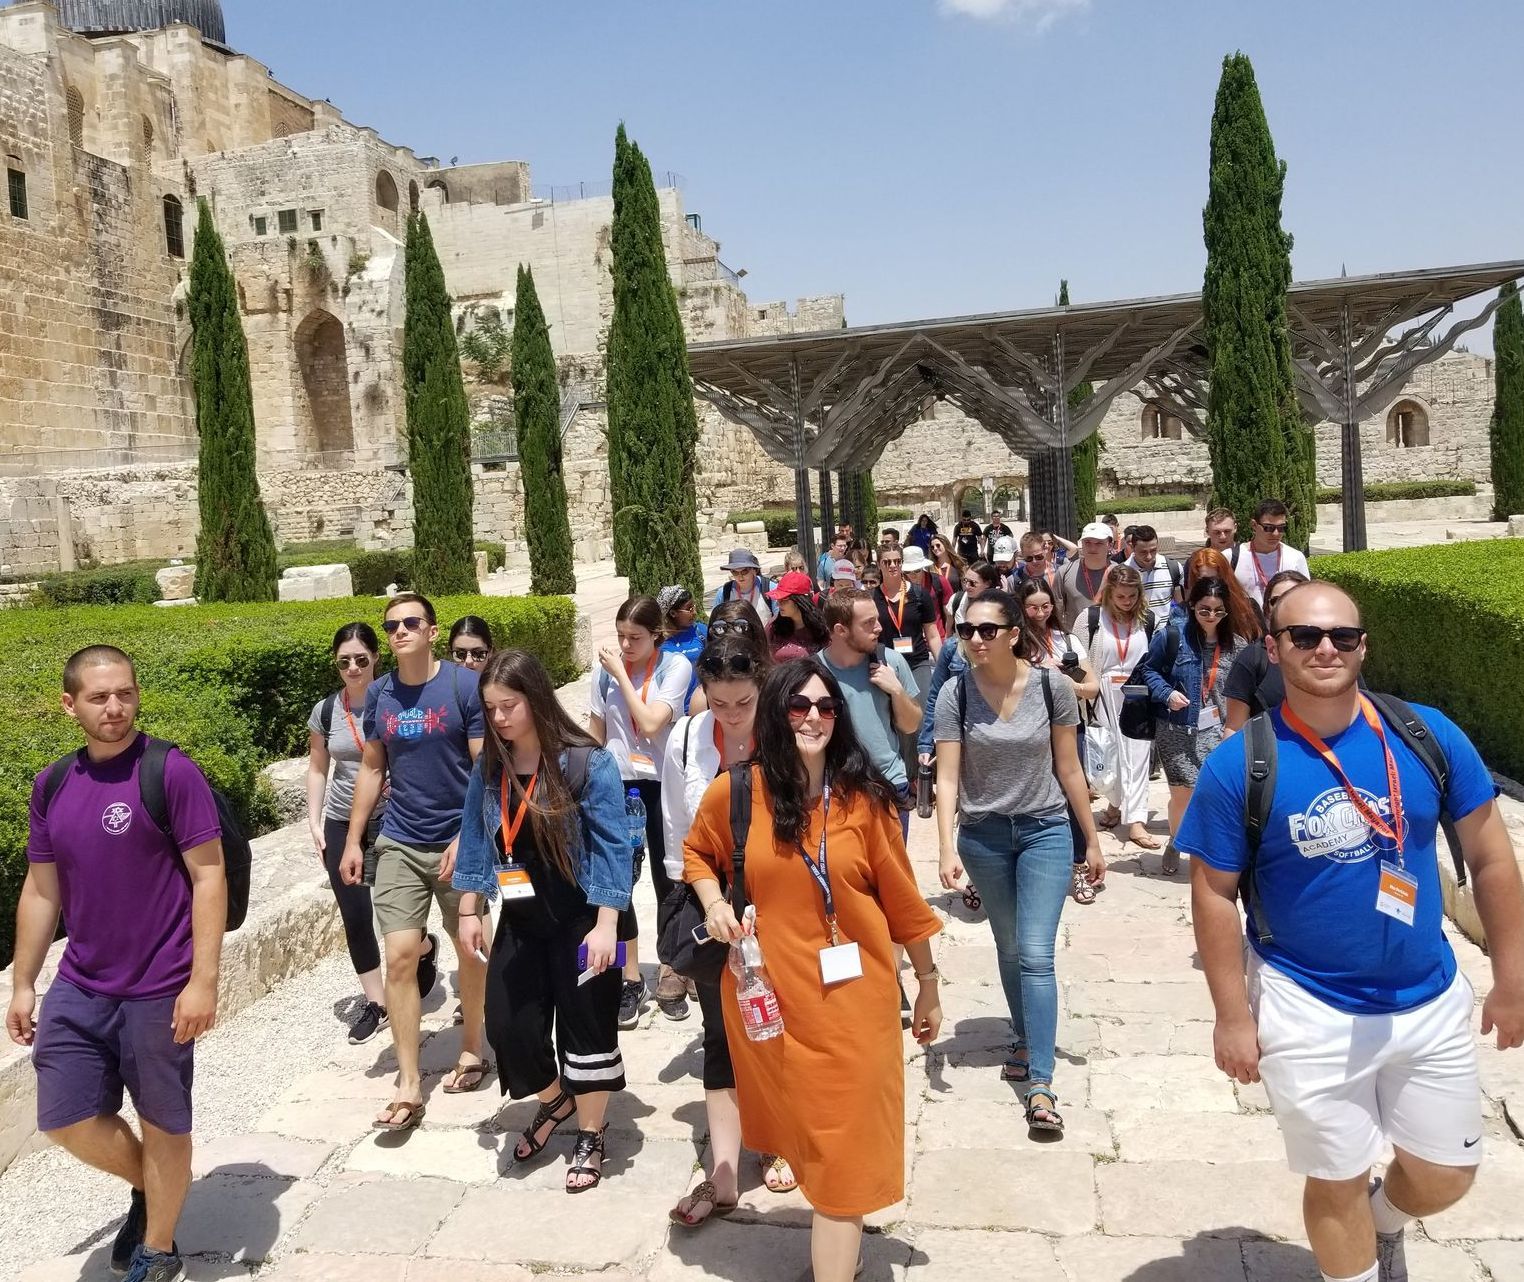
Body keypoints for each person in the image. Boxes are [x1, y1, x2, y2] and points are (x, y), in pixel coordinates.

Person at [1181, 581, 1524, 1282]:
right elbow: (1213, 896)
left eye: (1341, 635)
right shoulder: (1240, 764)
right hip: (1309, 1004)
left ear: (1364, 645)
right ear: (1274, 650)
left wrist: (1513, 977)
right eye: (1304, 636)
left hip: (1425, 994)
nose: (1325, 648)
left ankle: (1384, 1222)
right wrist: (1231, 1016)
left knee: (1447, 1172)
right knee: (1334, 1177)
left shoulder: (1425, 735)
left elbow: (1491, 855)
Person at [683, 660, 943, 1282]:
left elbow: (904, 902)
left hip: (856, 1005)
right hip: (776, 1004)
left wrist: (929, 983)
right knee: (813, 1141)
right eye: (798, 706)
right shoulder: (738, 792)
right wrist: (716, 901)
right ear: (776, 712)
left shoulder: (866, 802)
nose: (813, 718)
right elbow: (696, 852)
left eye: (825, 707)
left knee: (844, 1148)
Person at [6, 646, 226, 1282]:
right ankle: (153, 1188)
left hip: (160, 984)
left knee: (163, 1120)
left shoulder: (170, 771)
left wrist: (202, 980)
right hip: (81, 980)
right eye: (99, 697)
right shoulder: (52, 785)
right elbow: (42, 889)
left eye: (124, 694)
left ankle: (159, 1247)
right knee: (65, 1118)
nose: (115, 708)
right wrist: (23, 983)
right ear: (69, 704)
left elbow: (208, 876)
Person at [453, 650, 633, 1194]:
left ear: (535, 698)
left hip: (585, 915)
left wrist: (608, 924)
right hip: (522, 914)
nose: (500, 718)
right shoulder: (492, 766)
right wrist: (469, 907)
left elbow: (611, 845)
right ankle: (555, 1099)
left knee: (589, 1027)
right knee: (509, 1024)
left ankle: (591, 1132)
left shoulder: (586, 761)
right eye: (491, 708)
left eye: (509, 705)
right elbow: (477, 835)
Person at [934, 593, 1103, 1136]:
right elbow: (947, 778)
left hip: (1045, 830)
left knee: (1035, 952)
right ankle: (1025, 1037)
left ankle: (1041, 1082)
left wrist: (1093, 841)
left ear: (1012, 632)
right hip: (983, 837)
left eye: (987, 629)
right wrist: (943, 845)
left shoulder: (1051, 686)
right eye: (966, 630)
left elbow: (1069, 767)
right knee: (1008, 946)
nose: (975, 639)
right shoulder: (954, 693)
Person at [661, 638, 799, 1223]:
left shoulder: (789, 738)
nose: (730, 715)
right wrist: (700, 903)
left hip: (775, 902)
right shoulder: (687, 739)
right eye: (717, 703)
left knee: (772, 1024)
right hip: (711, 904)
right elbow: (676, 835)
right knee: (720, 1031)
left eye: (741, 702)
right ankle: (722, 1169)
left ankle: (777, 1139)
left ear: (761, 691)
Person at [341, 593, 488, 1130]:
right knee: (400, 955)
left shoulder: (463, 686)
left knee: (470, 948)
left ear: (431, 630)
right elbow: (373, 769)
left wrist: (469, 838)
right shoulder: (379, 695)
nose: (399, 631)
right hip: (400, 839)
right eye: (391, 626)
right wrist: (355, 840)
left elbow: (483, 771)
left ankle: (472, 1046)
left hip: (457, 838)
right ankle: (408, 1080)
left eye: (410, 623)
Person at [589, 595, 694, 1026]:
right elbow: (597, 730)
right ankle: (629, 976)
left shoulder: (675, 667)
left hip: (662, 782)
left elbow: (652, 723)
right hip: (620, 783)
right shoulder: (603, 675)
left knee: (670, 876)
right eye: (620, 637)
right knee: (619, 882)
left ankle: (672, 965)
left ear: (657, 635)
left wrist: (623, 676)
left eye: (635, 638)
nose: (626, 646)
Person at [306, 622, 387, 1044]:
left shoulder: (394, 699)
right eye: (344, 661)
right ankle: (377, 1002)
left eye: (360, 659)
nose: (353, 667)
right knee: (355, 914)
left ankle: (422, 948)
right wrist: (314, 821)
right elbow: (319, 767)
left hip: (393, 818)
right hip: (341, 818)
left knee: (396, 915)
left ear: (375, 657)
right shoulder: (325, 711)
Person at [1141, 578, 1247, 875]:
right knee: (1183, 795)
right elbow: (1148, 671)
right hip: (1177, 730)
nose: (1211, 617)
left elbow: (1243, 690)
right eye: (1204, 610)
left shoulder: (1237, 646)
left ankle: (1211, 849)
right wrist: (1166, 693)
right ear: (1192, 606)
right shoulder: (1172, 637)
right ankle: (1176, 840)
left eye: (1218, 611)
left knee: (1214, 794)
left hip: (1219, 732)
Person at [1016, 578, 1103, 904]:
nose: (1039, 613)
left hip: (1069, 726)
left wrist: (1063, 681)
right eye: (1032, 607)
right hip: (1029, 730)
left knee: (1073, 795)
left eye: (1045, 606)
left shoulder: (1067, 640)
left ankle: (1079, 864)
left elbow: (1092, 687)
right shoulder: (1017, 644)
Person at [817, 589, 921, 838]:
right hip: (837, 791)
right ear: (841, 630)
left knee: (891, 875)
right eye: (868, 623)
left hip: (889, 786)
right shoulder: (814, 672)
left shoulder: (892, 662)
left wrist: (896, 690)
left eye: (876, 619)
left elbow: (911, 725)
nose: (878, 628)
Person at [1080, 565, 1159, 852]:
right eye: (1121, 596)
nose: (1127, 602)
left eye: (1132, 596)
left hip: (1138, 694)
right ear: (1109, 594)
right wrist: (1084, 693)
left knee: (1137, 756)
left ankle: (1136, 820)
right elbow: (1078, 660)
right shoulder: (1091, 618)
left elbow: (1156, 657)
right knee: (1110, 756)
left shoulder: (1148, 620)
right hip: (1103, 694)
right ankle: (1114, 804)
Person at [871, 544, 940, 776]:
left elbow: (932, 634)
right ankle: (904, 774)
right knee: (895, 721)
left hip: (917, 662)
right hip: (888, 666)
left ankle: (920, 774)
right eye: (887, 561)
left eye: (897, 561)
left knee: (919, 720)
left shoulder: (919, 595)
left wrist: (942, 669)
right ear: (879, 564)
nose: (893, 566)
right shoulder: (873, 598)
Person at [1226, 570, 1311, 731]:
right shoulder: (1252, 658)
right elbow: (1233, 729)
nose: (1286, 605)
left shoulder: (1332, 649)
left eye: (1295, 598)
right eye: (1277, 600)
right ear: (1266, 609)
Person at [1232, 498, 1311, 608]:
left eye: (1281, 528)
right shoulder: (1232, 557)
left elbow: (1306, 597)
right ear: (1254, 525)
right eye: (1268, 528)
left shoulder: (1295, 557)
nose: (1275, 533)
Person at [1179, 546, 1261, 641]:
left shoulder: (1248, 609)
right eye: (1203, 581)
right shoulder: (1180, 614)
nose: (1211, 586)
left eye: (1217, 579)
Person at [659, 585, 708, 715]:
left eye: (694, 607)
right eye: (689, 609)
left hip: (702, 707)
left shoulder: (701, 632)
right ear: (673, 613)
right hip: (673, 711)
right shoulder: (659, 641)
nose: (694, 612)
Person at [1056, 522, 1114, 629]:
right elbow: (1057, 611)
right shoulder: (1063, 572)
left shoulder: (1120, 572)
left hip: (1111, 639)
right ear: (1081, 544)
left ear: (1110, 545)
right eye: (1087, 542)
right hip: (1075, 640)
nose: (1092, 547)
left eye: (1099, 543)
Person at [765, 571, 829, 661]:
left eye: (784, 600)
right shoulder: (773, 627)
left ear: (800, 601)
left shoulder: (821, 629)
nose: (778, 604)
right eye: (777, 599)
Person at [1126, 525, 1183, 625]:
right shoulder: (1123, 572)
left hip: (1165, 634)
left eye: (1153, 551)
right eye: (1143, 552)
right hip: (1135, 634)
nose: (1149, 556)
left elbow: (1180, 603)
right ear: (1133, 547)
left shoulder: (1173, 567)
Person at [711, 549, 776, 621]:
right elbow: (715, 622)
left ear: (754, 570)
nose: (740, 576)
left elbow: (780, 619)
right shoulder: (724, 592)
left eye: (744, 571)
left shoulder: (770, 588)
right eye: (734, 572)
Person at [902, 545, 952, 639]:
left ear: (923, 567)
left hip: (938, 638)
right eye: (908, 571)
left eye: (916, 570)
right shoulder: (899, 586)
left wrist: (947, 636)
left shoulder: (940, 581)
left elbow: (949, 613)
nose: (912, 575)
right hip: (911, 642)